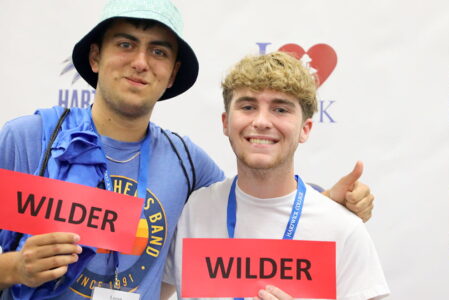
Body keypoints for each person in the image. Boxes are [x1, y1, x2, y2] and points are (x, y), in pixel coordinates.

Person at [0, 0, 374, 299]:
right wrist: (14, 268)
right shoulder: (28, 139)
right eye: (126, 44)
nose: (141, 62)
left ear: (173, 73)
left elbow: (251, 195)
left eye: (158, 51)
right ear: (96, 57)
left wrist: (327, 200)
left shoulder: (185, 162)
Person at [164, 52, 390, 300]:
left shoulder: (342, 228)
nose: (261, 121)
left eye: (280, 109)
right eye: (248, 107)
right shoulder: (193, 211)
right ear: (226, 122)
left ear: (305, 129)